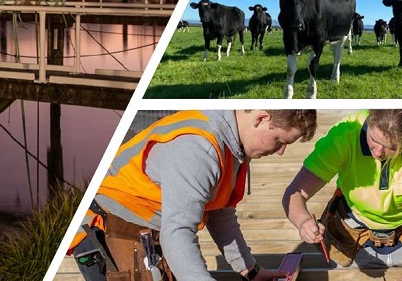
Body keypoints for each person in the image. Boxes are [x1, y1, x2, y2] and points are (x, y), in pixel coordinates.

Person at [70, 110, 318, 280]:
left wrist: (250, 271)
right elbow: (177, 232)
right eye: (279, 141)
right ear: (261, 118)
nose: (280, 152)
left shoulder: (234, 144)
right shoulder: (199, 150)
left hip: (156, 227)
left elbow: (220, 213)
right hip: (114, 228)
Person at [283, 110, 402, 281]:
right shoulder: (345, 134)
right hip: (355, 234)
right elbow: (295, 193)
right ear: (369, 120)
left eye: (391, 147)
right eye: (373, 139)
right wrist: (303, 221)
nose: (378, 153)